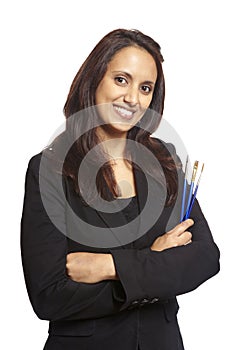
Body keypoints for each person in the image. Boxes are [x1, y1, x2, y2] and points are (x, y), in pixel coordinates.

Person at [21, 28, 220, 350]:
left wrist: (110, 267)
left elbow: (204, 257)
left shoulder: (165, 160)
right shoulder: (50, 168)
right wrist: (155, 264)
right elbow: (49, 296)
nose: (132, 98)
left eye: (145, 88)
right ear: (94, 79)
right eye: (121, 80)